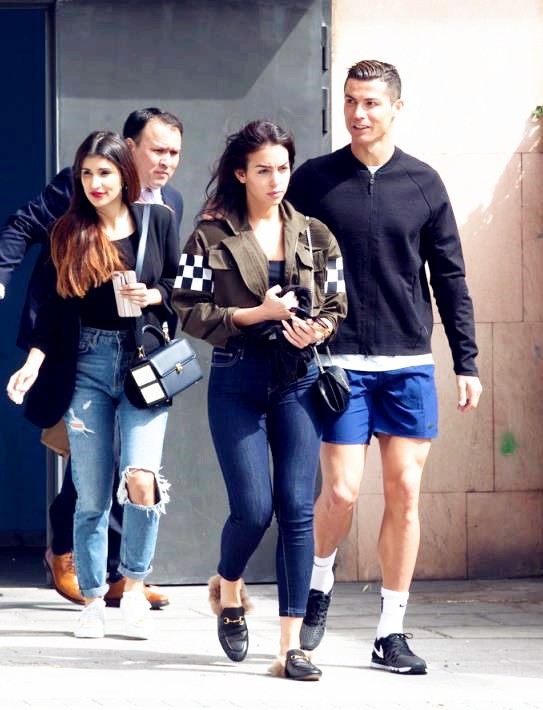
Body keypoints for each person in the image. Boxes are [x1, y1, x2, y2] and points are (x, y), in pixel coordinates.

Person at [287, 60, 482, 675]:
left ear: (396, 107)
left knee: (404, 493)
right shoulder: (314, 180)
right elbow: (284, 257)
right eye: (350, 101)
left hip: (408, 364)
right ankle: (320, 581)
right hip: (339, 363)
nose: (358, 113)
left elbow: (449, 277)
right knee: (342, 492)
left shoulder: (423, 183)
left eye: (370, 102)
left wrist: (467, 361)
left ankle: (389, 631)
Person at [172, 120, 347, 680]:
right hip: (237, 379)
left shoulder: (316, 234)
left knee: (297, 507)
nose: (276, 180)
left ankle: (291, 648)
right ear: (241, 173)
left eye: (283, 168)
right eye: (264, 170)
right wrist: (256, 315)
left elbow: (337, 301)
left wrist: (317, 329)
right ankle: (228, 587)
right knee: (253, 509)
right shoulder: (209, 236)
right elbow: (187, 307)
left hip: (298, 378)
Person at [0, 107, 184, 609]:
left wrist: (156, 296)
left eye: (174, 153)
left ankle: (126, 574)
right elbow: (26, 228)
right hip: (80, 347)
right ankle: (69, 556)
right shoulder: (77, 199)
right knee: (92, 473)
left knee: (137, 470)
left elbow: (176, 281)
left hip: (141, 356)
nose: (166, 162)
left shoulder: (166, 209)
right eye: (157, 150)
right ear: (130, 150)